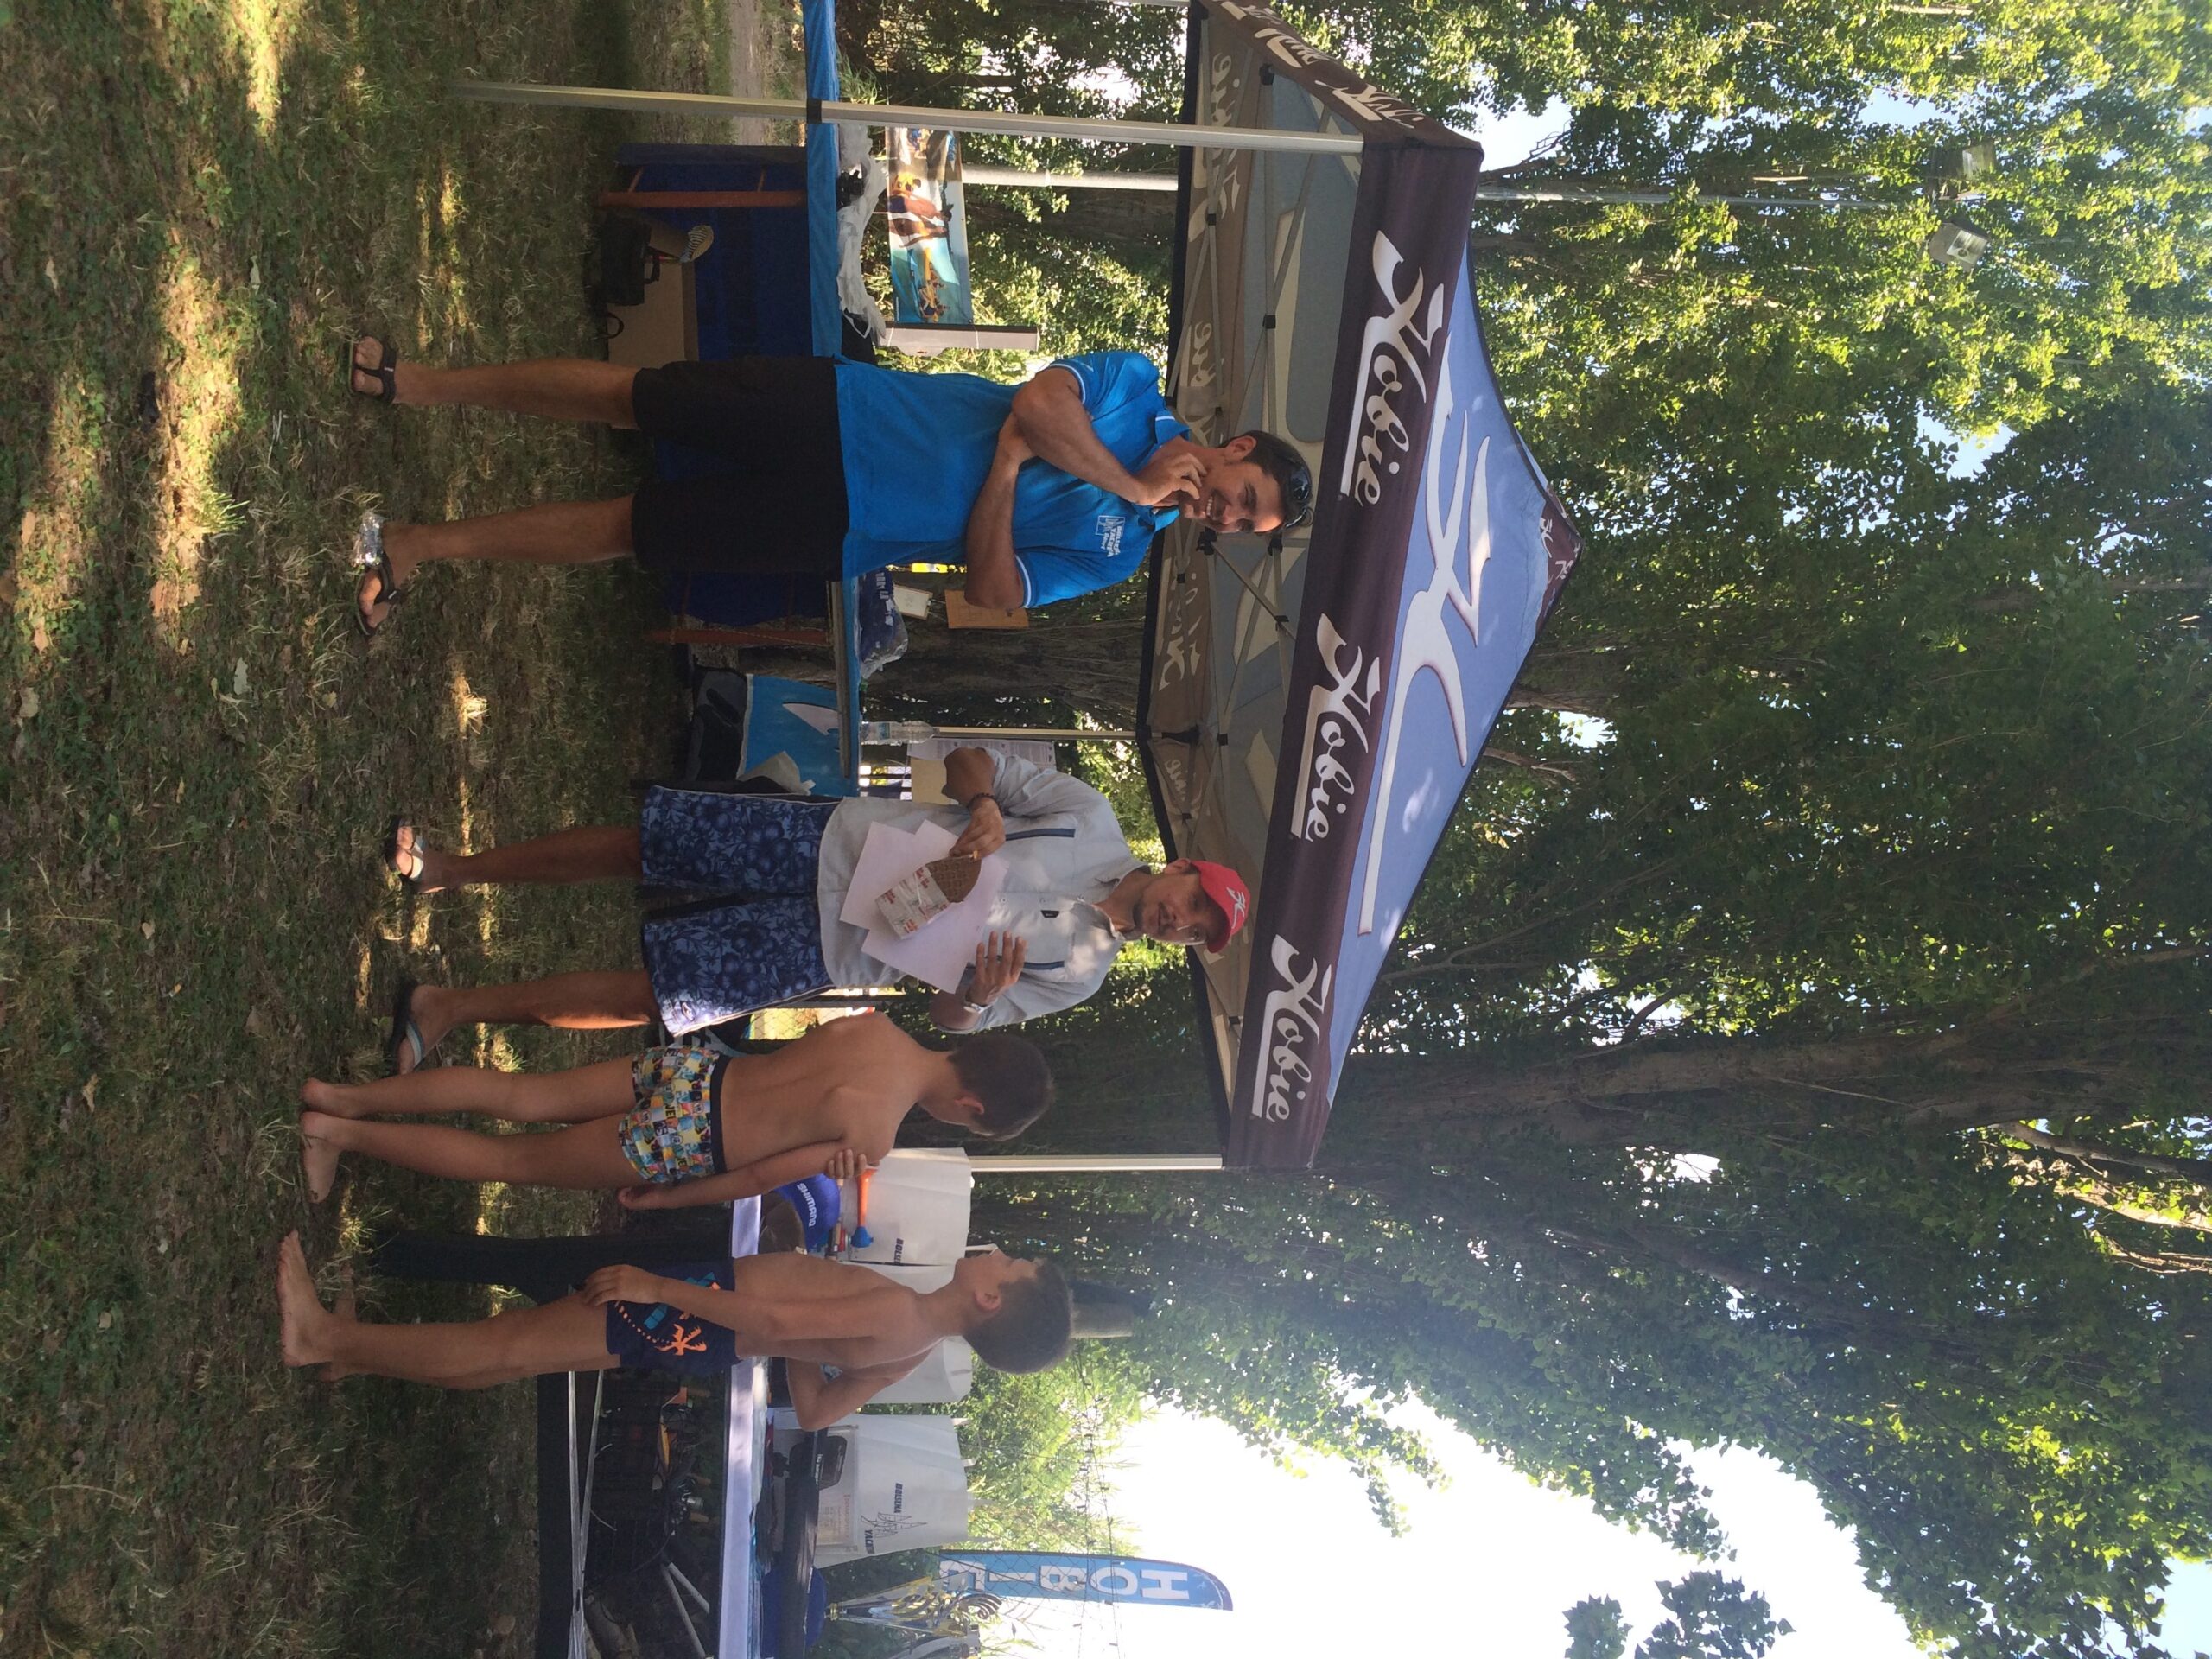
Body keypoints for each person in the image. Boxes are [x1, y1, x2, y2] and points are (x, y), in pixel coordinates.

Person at [344, 337, 1313, 632]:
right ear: (1236, 446)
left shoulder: (1120, 558)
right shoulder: (1134, 386)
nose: (1226, 516)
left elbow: (991, 590)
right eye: (1243, 496)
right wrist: (1128, 482)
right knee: (637, 400)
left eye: (1243, 526)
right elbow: (1038, 402)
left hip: (845, 525)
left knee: (632, 529)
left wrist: (1010, 469)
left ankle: (422, 547)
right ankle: (422, 384)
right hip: (845, 409)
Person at [378, 745, 1250, 1070]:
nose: (1182, 922)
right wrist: (985, 805)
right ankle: (456, 869)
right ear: (1180, 867)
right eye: (1194, 902)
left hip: (834, 950)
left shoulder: (1081, 976)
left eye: (1197, 934)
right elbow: (967, 764)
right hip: (837, 841)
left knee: (657, 997)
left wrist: (977, 994)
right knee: (646, 848)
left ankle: (450, 1008)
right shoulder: (1089, 816)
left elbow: (952, 1023)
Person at [276, 1232, 1072, 1421]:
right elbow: (815, 1409)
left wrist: (657, 1286)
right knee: (518, 1359)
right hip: (708, 1337)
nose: (999, 1252)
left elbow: (770, 1315)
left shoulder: (900, 1313)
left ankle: (322, 1339)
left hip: (695, 1304)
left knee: (511, 1343)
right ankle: (360, 1357)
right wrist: (799, 1340)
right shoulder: (915, 1344)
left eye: (1011, 1264)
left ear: (991, 1300)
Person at [295, 1010, 1052, 1205]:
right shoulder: (874, 1137)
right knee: (507, 1159)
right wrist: (668, 1199)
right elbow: (756, 1178)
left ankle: (342, 1097)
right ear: (969, 1105)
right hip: (690, 1141)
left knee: (518, 1093)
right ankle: (334, 1135)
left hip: (696, 1072)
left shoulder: (875, 1027)